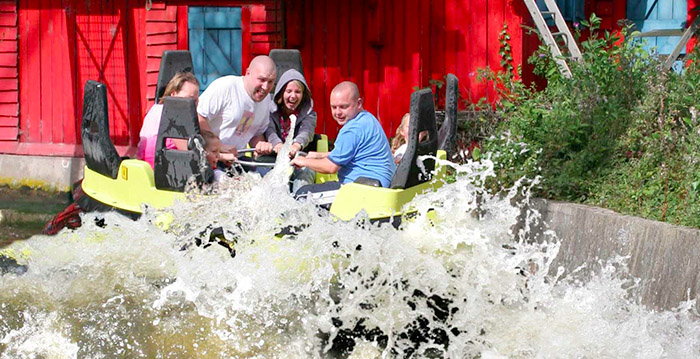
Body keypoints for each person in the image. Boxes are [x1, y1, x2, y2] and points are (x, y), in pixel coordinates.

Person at [291, 81, 395, 202]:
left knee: (302, 195)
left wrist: (303, 161)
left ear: (359, 103)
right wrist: (319, 155)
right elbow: (355, 155)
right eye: (334, 107)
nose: (338, 112)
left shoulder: (352, 130)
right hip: (379, 184)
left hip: (363, 189)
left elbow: (330, 167)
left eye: (344, 107)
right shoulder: (367, 119)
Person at [196, 55, 276, 163]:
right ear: (248, 73)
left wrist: (260, 145)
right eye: (261, 79)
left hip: (238, 159)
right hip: (212, 159)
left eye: (270, 82)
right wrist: (218, 146)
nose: (265, 87)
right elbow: (198, 116)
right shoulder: (226, 87)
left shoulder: (266, 101)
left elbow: (255, 133)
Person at [255, 69, 317, 190]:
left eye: (298, 92)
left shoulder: (309, 113)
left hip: (299, 156)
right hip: (272, 156)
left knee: (305, 173)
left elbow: (307, 131)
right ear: (281, 93)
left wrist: (296, 145)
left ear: (303, 95)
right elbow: (269, 129)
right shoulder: (270, 110)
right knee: (264, 172)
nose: (293, 96)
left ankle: (302, 201)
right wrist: (277, 144)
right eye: (289, 91)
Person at [136, 72, 200, 169]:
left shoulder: (157, 108)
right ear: (173, 94)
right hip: (160, 168)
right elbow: (188, 151)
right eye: (190, 99)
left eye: (196, 100)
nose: (193, 104)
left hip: (152, 163)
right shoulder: (173, 115)